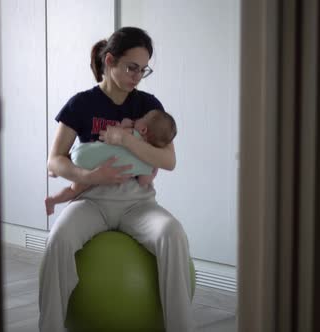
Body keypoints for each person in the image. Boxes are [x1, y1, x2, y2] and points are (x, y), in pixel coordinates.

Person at [39, 27, 194, 332]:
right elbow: (54, 160)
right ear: (110, 60)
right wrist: (89, 175)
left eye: (143, 69)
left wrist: (125, 140)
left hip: (137, 203)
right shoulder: (80, 104)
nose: (137, 76)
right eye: (131, 67)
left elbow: (169, 161)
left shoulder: (148, 105)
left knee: (172, 233)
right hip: (92, 201)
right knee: (58, 239)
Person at [44, 109, 177, 216]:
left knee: (80, 155)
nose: (138, 118)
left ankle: (58, 169)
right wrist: (153, 171)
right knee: (73, 190)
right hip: (93, 171)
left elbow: (114, 131)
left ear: (143, 129)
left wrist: (126, 124)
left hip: (85, 152)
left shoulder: (131, 132)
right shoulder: (148, 163)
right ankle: (53, 200)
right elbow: (143, 181)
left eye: (142, 118)